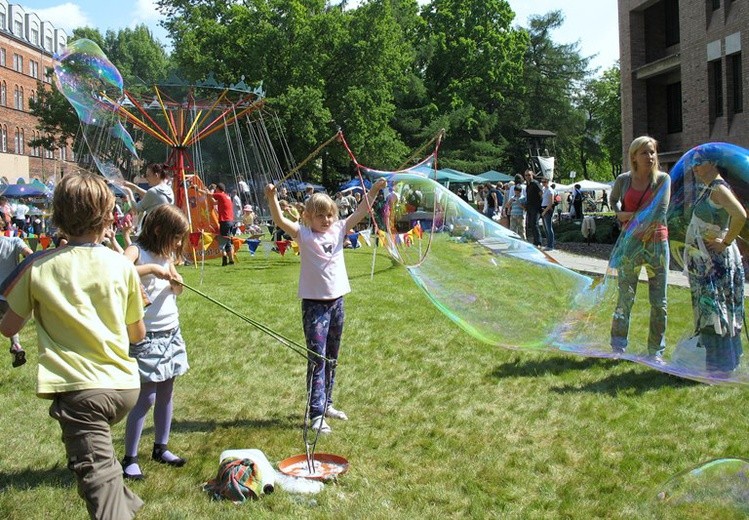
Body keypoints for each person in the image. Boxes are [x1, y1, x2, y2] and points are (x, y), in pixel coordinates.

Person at [0, 172, 146, 519]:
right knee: (97, 470)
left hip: (82, 394)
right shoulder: (121, 265)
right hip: (125, 386)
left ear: (58, 216)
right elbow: (137, 334)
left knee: (98, 486)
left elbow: (9, 328)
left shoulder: (38, 266)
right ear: (109, 216)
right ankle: (126, 504)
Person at [264, 177, 387, 434]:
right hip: (314, 306)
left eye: (329, 214)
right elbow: (279, 220)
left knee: (332, 357)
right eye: (320, 215)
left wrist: (374, 190)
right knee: (317, 359)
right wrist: (272, 198)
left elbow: (361, 210)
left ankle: (327, 403)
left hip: (337, 302)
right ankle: (316, 413)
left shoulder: (339, 229)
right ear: (308, 216)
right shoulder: (303, 234)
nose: (326, 220)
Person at [121, 204, 190, 480]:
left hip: (170, 332)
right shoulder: (138, 251)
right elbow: (119, 270)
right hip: (146, 336)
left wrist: (177, 284)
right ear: (159, 230)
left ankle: (160, 447)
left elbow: (174, 291)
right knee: (146, 397)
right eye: (175, 237)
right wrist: (150, 269)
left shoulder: (166, 256)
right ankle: (130, 458)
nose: (177, 243)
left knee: (166, 393)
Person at [609, 136, 671, 361]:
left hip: (656, 245)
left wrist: (628, 217)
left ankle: (655, 352)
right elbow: (613, 199)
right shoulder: (623, 180)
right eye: (644, 152)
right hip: (630, 244)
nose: (650, 156)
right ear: (634, 156)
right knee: (625, 297)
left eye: (653, 152)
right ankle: (617, 347)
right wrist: (618, 212)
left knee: (659, 302)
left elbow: (659, 212)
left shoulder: (663, 179)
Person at [685, 149, 746, 373]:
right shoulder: (709, 187)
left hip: (715, 263)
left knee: (715, 309)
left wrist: (725, 242)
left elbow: (740, 215)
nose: (695, 168)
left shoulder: (719, 188)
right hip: (705, 262)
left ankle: (718, 364)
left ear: (713, 162)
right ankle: (715, 362)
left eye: (699, 163)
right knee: (710, 308)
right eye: (693, 164)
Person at [0, 219, 33, 367]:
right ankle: (16, 346)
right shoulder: (14, 241)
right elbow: (30, 255)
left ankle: (16, 346)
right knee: (10, 322)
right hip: (9, 292)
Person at [122, 162, 174, 227]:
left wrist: (129, 192)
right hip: (165, 226)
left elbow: (137, 209)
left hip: (152, 227)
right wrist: (134, 187)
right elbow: (154, 196)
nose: (146, 178)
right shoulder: (168, 189)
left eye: (148, 175)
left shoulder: (153, 191)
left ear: (156, 175)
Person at [207, 183, 236, 266]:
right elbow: (215, 203)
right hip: (230, 221)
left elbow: (209, 194)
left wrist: (201, 190)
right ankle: (230, 260)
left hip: (225, 221)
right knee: (228, 240)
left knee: (224, 241)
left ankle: (226, 259)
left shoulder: (220, 195)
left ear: (218, 189)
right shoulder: (227, 196)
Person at [524, 170, 543, 246]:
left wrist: (540, 205)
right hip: (530, 206)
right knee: (531, 224)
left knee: (535, 224)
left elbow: (541, 193)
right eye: (526, 175)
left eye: (529, 175)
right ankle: (535, 241)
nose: (527, 177)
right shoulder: (528, 185)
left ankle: (538, 242)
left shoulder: (535, 183)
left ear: (532, 175)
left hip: (536, 206)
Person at [540, 178, 556, 250]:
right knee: (545, 228)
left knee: (549, 228)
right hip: (543, 208)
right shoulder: (544, 190)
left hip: (548, 209)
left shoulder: (550, 190)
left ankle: (551, 245)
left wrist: (545, 211)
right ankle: (548, 244)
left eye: (544, 182)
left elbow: (551, 203)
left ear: (547, 182)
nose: (543, 183)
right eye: (542, 182)